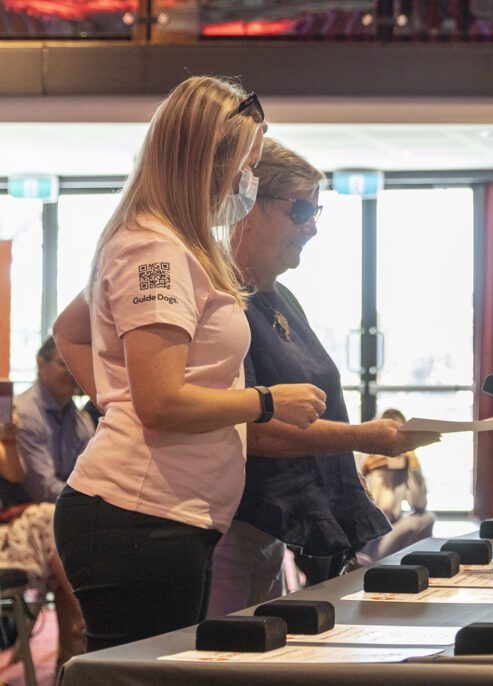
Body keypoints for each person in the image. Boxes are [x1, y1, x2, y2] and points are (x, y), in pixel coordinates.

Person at [50, 77, 327, 652]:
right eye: (246, 167)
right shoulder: (155, 251)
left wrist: (116, 395)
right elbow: (160, 401)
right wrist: (268, 400)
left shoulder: (173, 243)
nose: (247, 182)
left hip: (166, 516)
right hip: (139, 516)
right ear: (209, 162)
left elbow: (70, 332)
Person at [206, 139, 438, 617]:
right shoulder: (219, 297)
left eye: (317, 211)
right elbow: (249, 429)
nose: (311, 225)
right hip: (229, 522)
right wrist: (363, 437)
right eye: (300, 209)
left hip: (272, 528)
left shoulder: (282, 298)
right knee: (220, 661)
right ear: (249, 207)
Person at [0, 421, 85, 667]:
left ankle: (70, 658)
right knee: (50, 520)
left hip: (9, 531)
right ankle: (85, 621)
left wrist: (7, 438)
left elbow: (14, 473)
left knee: (55, 537)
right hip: (10, 537)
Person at [0, 337, 94, 505]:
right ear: (41, 364)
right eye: (64, 364)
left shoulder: (82, 421)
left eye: (76, 366)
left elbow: (93, 474)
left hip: (68, 506)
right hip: (33, 510)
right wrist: (85, 502)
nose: (72, 373)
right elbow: (40, 488)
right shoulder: (25, 413)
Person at [355, 408, 435, 566]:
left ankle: (398, 563)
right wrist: (366, 469)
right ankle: (369, 561)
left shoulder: (404, 462)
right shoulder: (363, 456)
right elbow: (349, 498)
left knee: (426, 518)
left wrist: (413, 465)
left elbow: (419, 505)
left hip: (389, 527)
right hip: (364, 527)